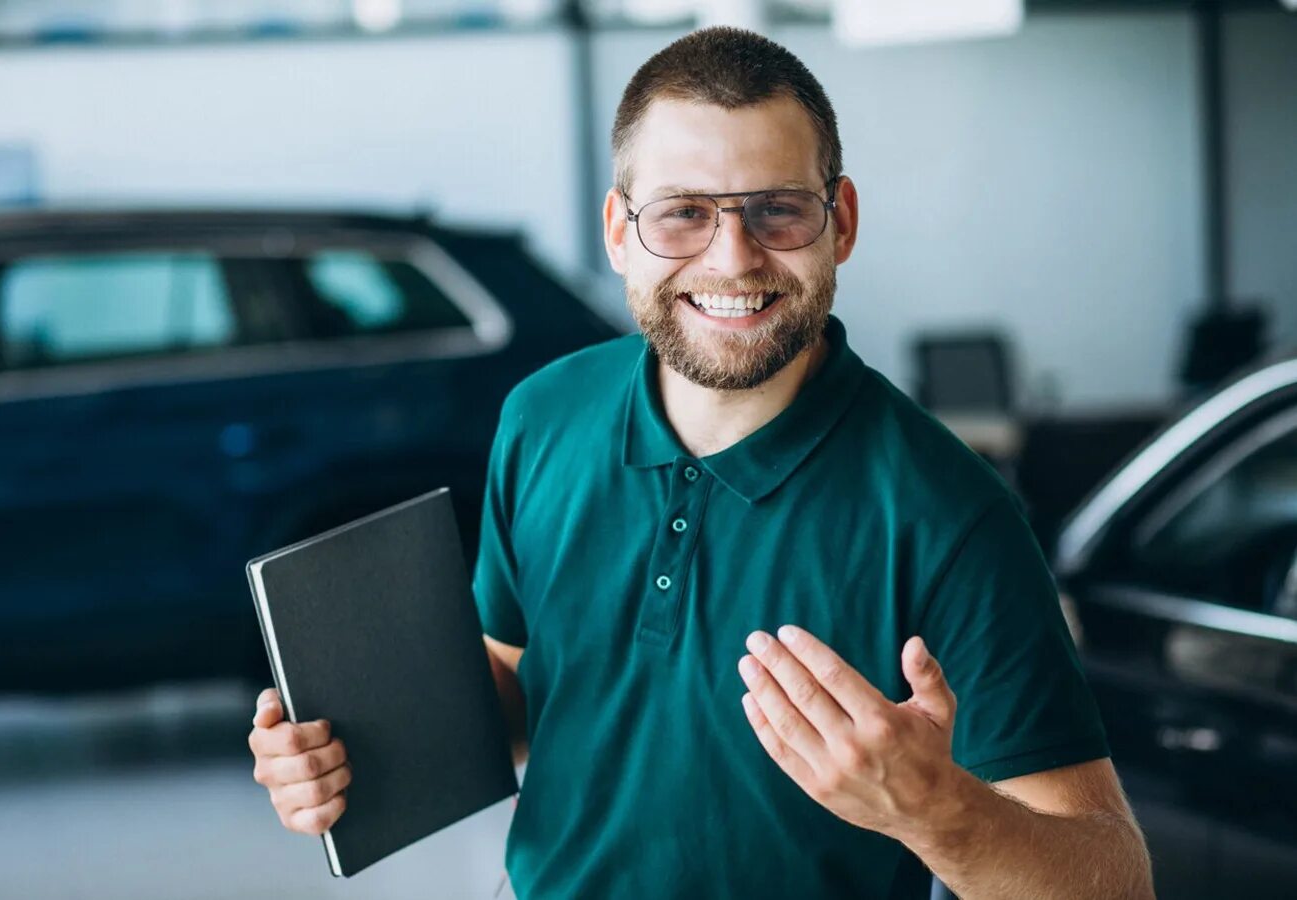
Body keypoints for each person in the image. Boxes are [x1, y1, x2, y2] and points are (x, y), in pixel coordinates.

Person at [249, 26, 1155, 899]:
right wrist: (347, 750)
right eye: (682, 212)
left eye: (778, 210)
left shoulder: (948, 512)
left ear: (839, 221)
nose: (732, 257)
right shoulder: (542, 416)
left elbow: (1114, 883)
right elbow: (524, 688)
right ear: (618, 230)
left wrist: (937, 812)